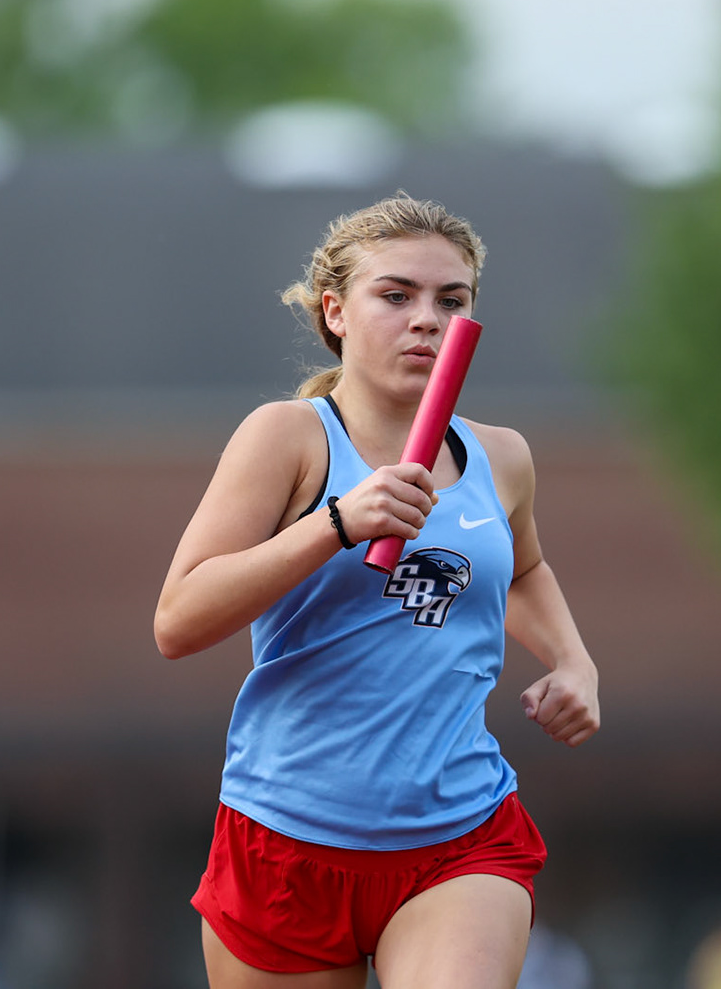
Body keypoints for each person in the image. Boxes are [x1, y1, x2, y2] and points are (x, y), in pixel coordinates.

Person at [154, 193, 602, 989]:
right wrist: (337, 521)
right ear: (336, 312)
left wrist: (574, 662)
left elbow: (524, 570)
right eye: (395, 296)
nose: (425, 318)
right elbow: (179, 620)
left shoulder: (502, 457)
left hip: (458, 833)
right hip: (288, 836)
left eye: (450, 300)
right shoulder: (288, 437)